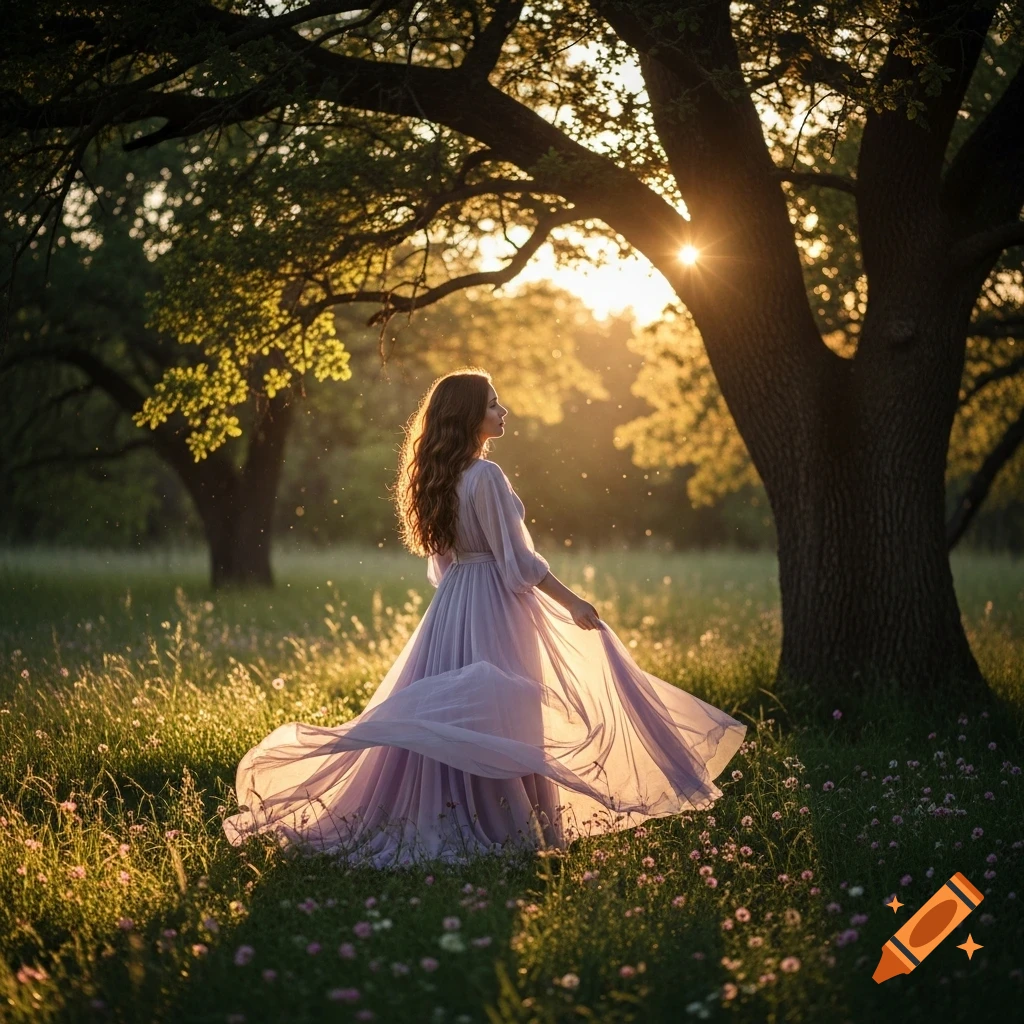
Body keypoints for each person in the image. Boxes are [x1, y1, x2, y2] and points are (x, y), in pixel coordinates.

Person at [223, 368, 746, 869]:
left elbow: (442, 566)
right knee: (506, 710)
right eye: (494, 404)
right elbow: (517, 563)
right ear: (470, 415)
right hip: (496, 602)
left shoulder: (436, 477)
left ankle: (466, 815)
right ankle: (510, 826)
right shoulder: (486, 475)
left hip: (453, 605)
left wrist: (466, 588)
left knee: (464, 712)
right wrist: (572, 602)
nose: (504, 411)